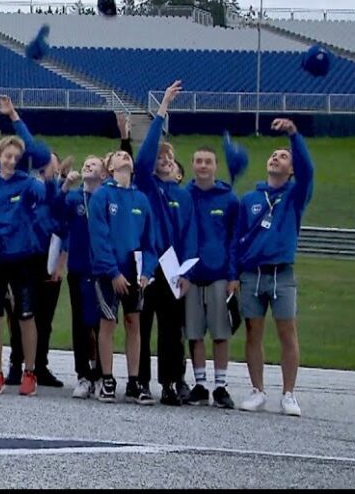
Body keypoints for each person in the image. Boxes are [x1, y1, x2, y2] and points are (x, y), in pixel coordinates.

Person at [235, 118, 313, 417]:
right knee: (253, 331)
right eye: (273, 155)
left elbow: (308, 171)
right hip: (252, 273)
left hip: (282, 273)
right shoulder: (250, 199)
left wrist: (294, 136)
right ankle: (257, 390)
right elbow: (236, 240)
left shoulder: (295, 196)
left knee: (287, 331)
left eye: (283, 156)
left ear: (291, 169)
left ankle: (289, 393)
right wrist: (234, 273)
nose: (275, 157)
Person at [134, 80, 198, 406]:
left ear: (176, 165)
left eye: (169, 157)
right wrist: (162, 110)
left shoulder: (183, 196)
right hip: (148, 261)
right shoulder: (145, 186)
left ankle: (171, 382)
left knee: (172, 328)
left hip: (174, 265)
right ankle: (141, 381)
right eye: (160, 157)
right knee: (143, 324)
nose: (164, 160)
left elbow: (189, 235)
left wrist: (186, 271)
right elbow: (143, 157)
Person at [0, 136, 47, 396]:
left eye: (17, 157)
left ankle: (30, 371)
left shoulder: (27, 184)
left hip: (22, 256)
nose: (12, 161)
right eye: (8, 156)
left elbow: (44, 193)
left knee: (25, 315)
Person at [89, 149, 157, 405]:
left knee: (134, 324)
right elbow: (99, 237)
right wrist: (113, 272)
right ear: (109, 167)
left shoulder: (141, 199)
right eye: (118, 155)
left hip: (134, 271)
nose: (124, 156)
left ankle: (135, 380)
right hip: (109, 271)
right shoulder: (102, 196)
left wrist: (147, 272)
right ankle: (107, 378)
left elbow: (150, 242)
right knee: (108, 322)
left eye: (127, 155)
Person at [181, 146, 240, 409]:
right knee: (194, 334)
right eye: (198, 161)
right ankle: (201, 384)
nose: (203, 165)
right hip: (191, 275)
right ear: (192, 165)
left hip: (218, 275)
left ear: (216, 166)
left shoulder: (229, 199)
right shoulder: (185, 196)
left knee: (220, 333)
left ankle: (221, 385)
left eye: (208, 162)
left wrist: (232, 275)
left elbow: (234, 240)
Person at [51, 155, 106, 399]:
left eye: (94, 164)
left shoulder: (107, 198)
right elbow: (55, 216)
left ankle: (103, 373)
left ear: (104, 174)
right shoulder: (74, 197)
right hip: (79, 266)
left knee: (101, 324)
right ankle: (83, 374)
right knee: (81, 323)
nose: (88, 165)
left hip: (104, 269)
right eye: (86, 164)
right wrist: (63, 187)